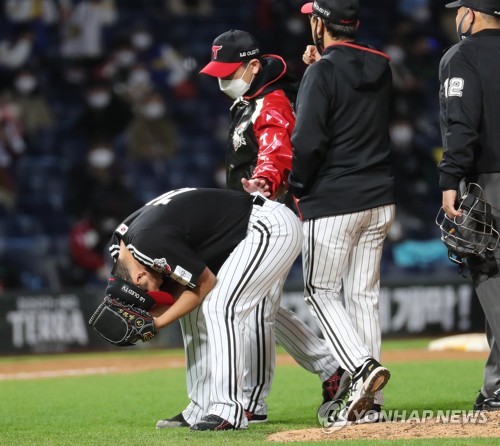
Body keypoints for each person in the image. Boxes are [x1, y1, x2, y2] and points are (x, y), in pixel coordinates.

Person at [155, 29, 345, 429]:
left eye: (230, 72)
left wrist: (265, 181)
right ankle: (327, 367)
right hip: (244, 218)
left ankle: (251, 402)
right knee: (260, 306)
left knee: (248, 307)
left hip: (270, 214)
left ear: (254, 66)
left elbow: (278, 148)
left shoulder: (271, 101)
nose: (223, 81)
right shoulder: (246, 101)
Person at [106, 187, 302, 430]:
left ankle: (228, 410)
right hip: (241, 233)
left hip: (266, 226)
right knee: (195, 312)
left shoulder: (148, 244)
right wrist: (153, 314)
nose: (152, 295)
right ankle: (201, 406)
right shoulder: (121, 245)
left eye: (147, 291)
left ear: (138, 278)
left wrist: (156, 323)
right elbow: (174, 287)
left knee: (222, 307)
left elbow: (205, 283)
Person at [288, 0, 396, 424]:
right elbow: (350, 85)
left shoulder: (323, 71)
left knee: (320, 292)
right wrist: (321, 65)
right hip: (380, 197)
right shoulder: (381, 64)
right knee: (363, 298)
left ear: (320, 23)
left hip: (334, 200)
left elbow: (309, 140)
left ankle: (361, 370)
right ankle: (371, 406)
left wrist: (298, 185)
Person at [438, 0, 500, 411]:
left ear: (472, 13)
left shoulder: (462, 55)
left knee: (491, 278)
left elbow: (462, 123)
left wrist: (449, 179)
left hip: (489, 181)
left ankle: (498, 389)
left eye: (458, 9)